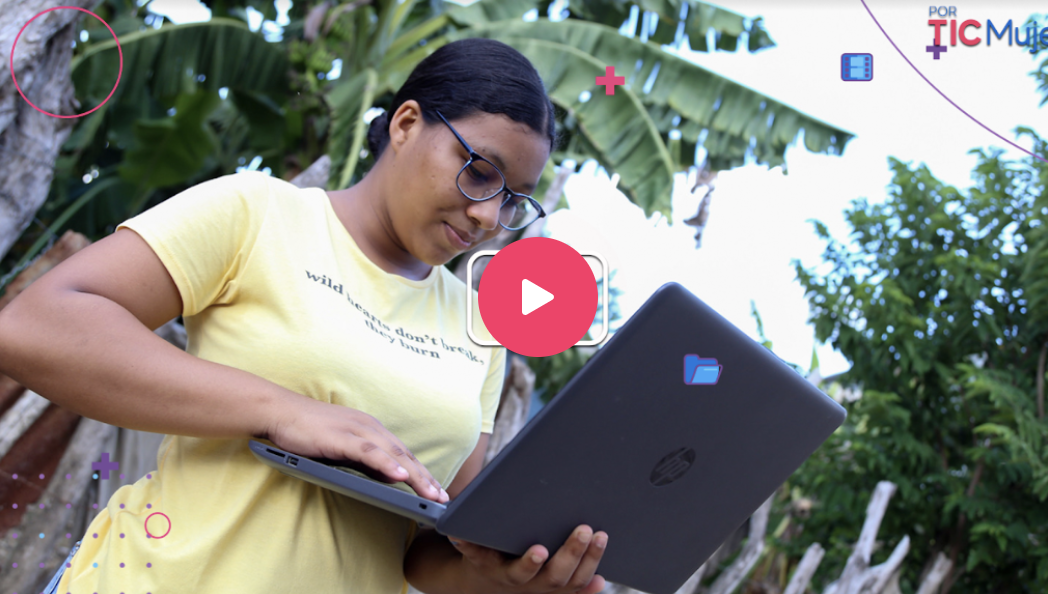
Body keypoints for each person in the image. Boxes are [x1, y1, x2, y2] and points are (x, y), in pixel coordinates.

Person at [0, 38, 609, 594]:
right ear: (406, 123)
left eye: (514, 199)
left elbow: (424, 550)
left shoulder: (481, 328)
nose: (488, 216)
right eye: (480, 172)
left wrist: (515, 577)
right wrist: (284, 411)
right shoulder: (260, 213)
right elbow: (33, 326)